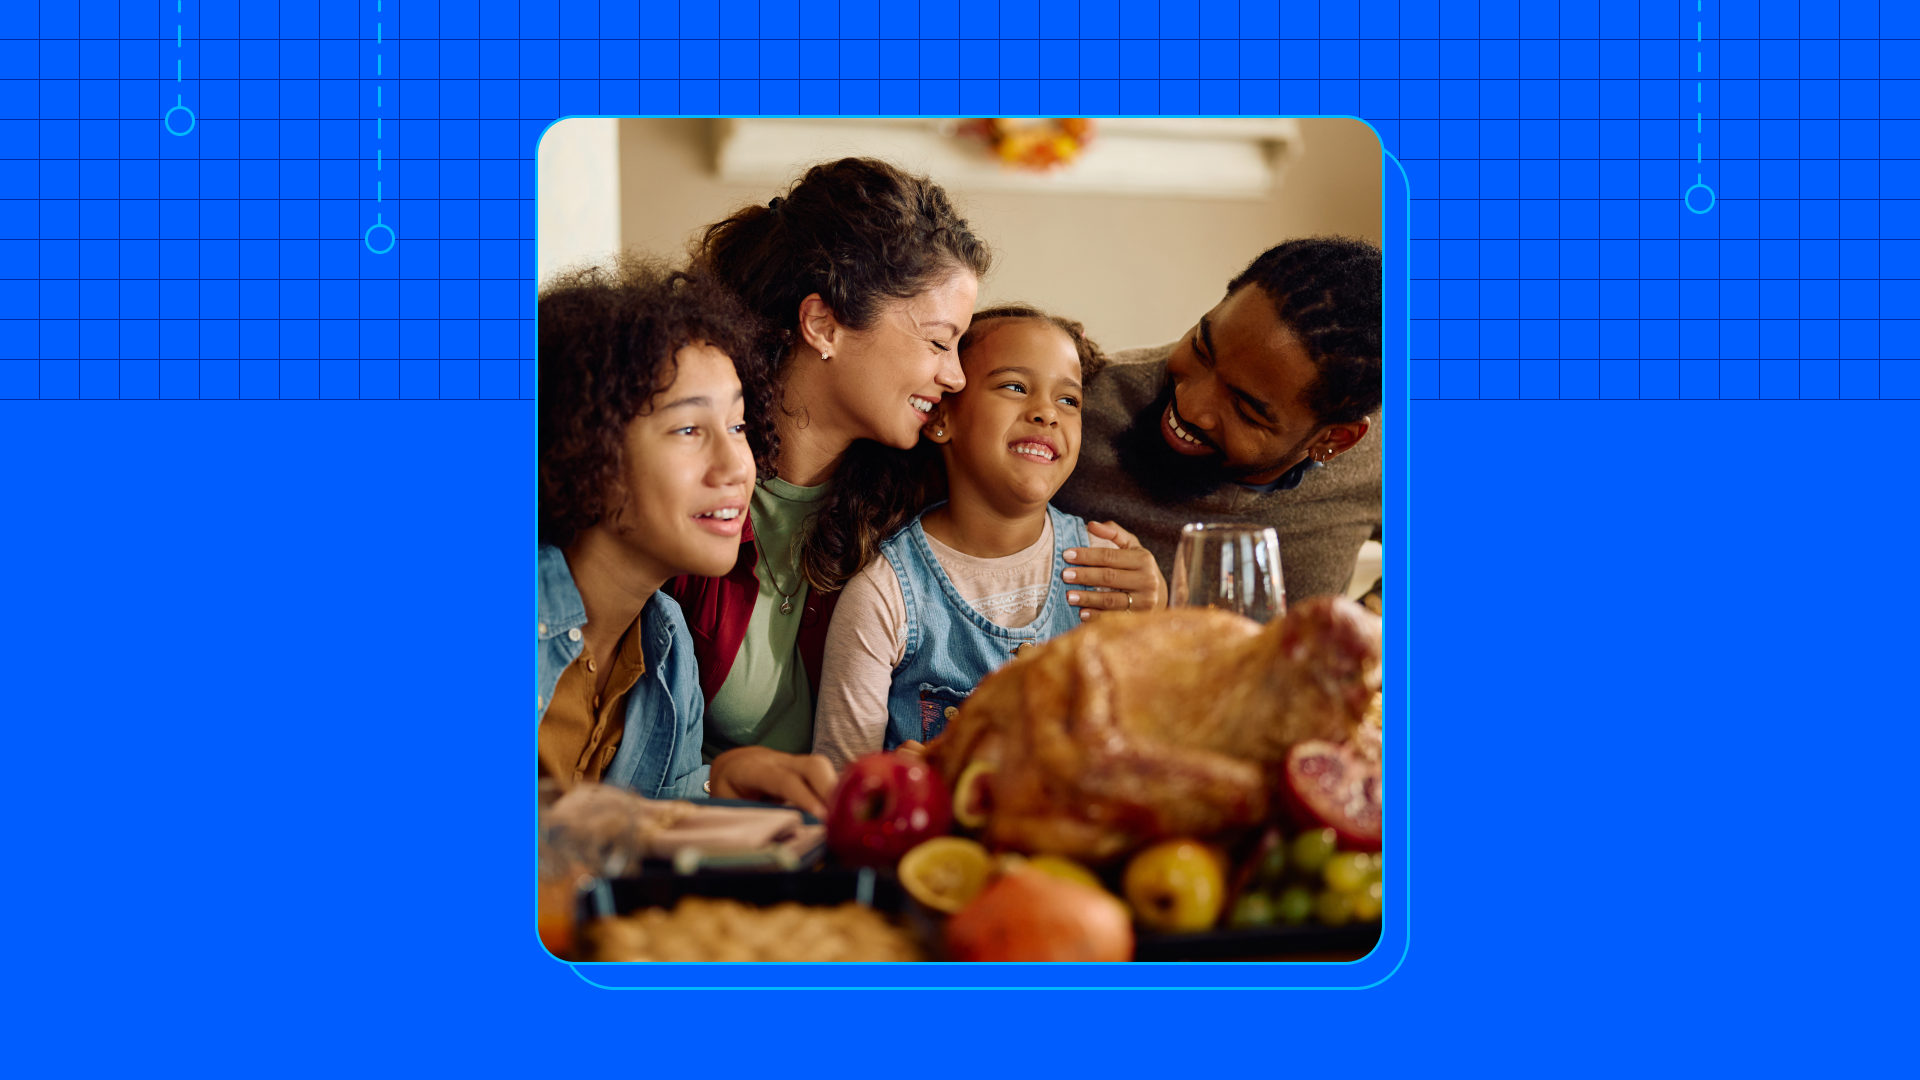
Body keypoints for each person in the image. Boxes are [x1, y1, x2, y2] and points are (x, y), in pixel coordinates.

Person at [537, 260, 839, 815]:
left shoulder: (665, 638)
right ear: (584, 446)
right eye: (687, 430)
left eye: (738, 427)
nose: (737, 467)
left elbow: (648, 803)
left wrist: (720, 781)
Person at [811, 306, 1121, 768]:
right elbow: (840, 785)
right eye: (1015, 387)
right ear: (941, 419)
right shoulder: (884, 593)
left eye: (1068, 401)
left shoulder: (1107, 569)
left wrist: (1155, 617)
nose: (1046, 414)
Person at [1052, 236, 1383, 607]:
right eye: (1201, 349)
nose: (1190, 407)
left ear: (1334, 439)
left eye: (1246, 409)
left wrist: (1368, 620)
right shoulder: (1077, 407)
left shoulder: (1387, 462)